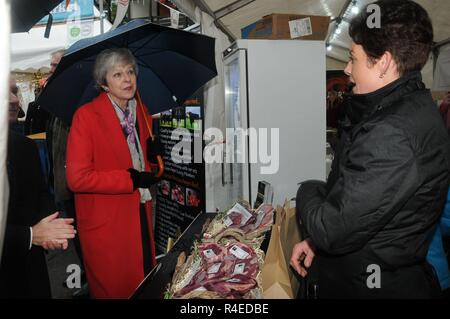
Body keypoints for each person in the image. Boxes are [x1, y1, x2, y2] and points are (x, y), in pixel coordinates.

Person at [290, 0, 450, 298]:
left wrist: (306, 189)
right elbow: (360, 209)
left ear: (384, 62)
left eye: (354, 59)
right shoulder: (404, 108)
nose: (348, 70)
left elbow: (333, 229)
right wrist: (316, 243)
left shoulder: (394, 132)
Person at [66, 48, 159, 298]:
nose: (127, 79)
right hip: (107, 223)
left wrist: (152, 158)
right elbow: (76, 178)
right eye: (117, 74)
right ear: (103, 83)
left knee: (145, 280)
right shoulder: (86, 117)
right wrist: (130, 179)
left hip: (138, 211)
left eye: (130, 72)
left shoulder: (141, 111)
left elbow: (141, 164)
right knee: (116, 288)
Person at [0, 78, 76, 298]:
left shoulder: (26, 147)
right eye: (6, 93)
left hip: (31, 274)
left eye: (15, 92)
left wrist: (52, 227)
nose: (15, 100)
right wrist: (31, 235)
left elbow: (42, 195)